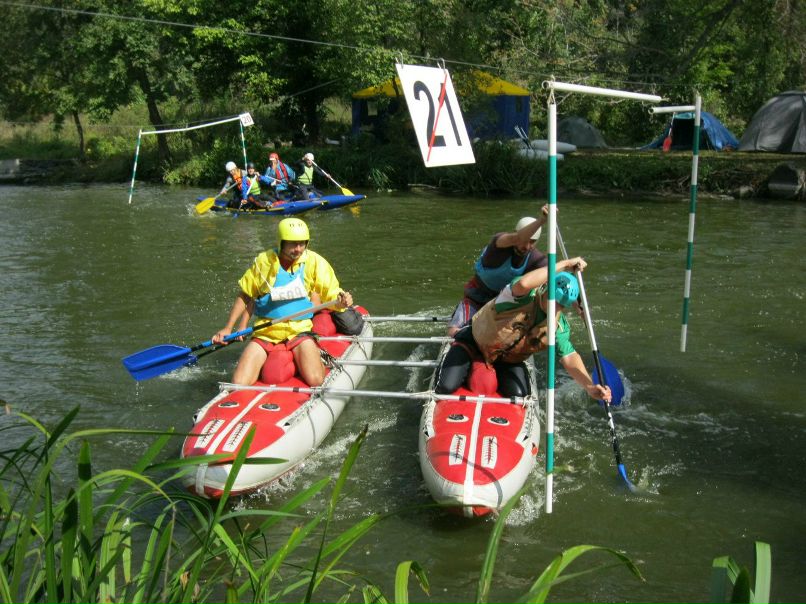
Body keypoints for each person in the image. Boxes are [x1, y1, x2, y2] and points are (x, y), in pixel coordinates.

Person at [434, 258, 612, 403]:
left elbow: (570, 357)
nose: (555, 307)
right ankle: (463, 362)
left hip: (507, 360)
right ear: (545, 289)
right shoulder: (520, 296)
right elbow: (525, 283)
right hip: (473, 341)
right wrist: (564, 264)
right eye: (553, 299)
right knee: (446, 386)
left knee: (520, 395)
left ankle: (487, 372)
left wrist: (589, 387)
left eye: (560, 305)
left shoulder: (558, 327)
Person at [211, 218, 354, 387]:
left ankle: (315, 355)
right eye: (293, 244)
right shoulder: (264, 262)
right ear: (281, 242)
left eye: (302, 244)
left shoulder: (314, 262)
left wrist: (342, 300)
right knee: (239, 382)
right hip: (266, 331)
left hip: (299, 329)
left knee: (316, 379)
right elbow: (246, 295)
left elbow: (331, 292)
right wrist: (228, 327)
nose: (298, 249)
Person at [447, 207, 549, 337]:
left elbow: (556, 275)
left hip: (501, 305)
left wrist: (568, 265)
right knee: (456, 332)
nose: (527, 246)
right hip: (476, 298)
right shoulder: (499, 244)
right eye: (525, 240)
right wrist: (542, 220)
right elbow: (518, 238)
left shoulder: (536, 259)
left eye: (532, 242)